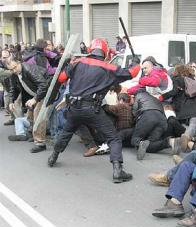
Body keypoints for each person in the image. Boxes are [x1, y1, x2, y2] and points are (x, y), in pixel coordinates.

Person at [47, 38, 141, 183]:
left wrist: (68, 65)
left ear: (91, 49)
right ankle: (117, 171)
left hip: (74, 108)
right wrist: (135, 62)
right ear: (104, 52)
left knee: (66, 132)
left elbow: (61, 78)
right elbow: (133, 73)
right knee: (114, 138)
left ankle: (53, 156)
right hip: (92, 109)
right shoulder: (108, 67)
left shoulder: (77, 63)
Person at [6, 58, 49, 153]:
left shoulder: (29, 69)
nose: (14, 71)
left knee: (38, 116)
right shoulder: (14, 74)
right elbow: (13, 89)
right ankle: (32, 134)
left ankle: (40, 143)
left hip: (46, 93)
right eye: (11, 69)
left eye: (15, 67)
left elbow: (43, 85)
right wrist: (11, 101)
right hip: (35, 94)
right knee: (30, 116)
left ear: (18, 63)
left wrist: (35, 99)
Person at [159, 64, 196, 152]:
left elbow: (174, 92)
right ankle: (188, 136)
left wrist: (162, 97)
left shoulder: (178, 79)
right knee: (193, 121)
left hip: (184, 104)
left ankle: (182, 138)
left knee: (181, 122)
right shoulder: (191, 78)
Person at [130, 88, 169, 160]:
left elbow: (135, 110)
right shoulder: (155, 99)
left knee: (135, 139)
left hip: (149, 115)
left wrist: (135, 121)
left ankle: (140, 144)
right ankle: (169, 142)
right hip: (163, 120)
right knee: (151, 143)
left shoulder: (139, 95)